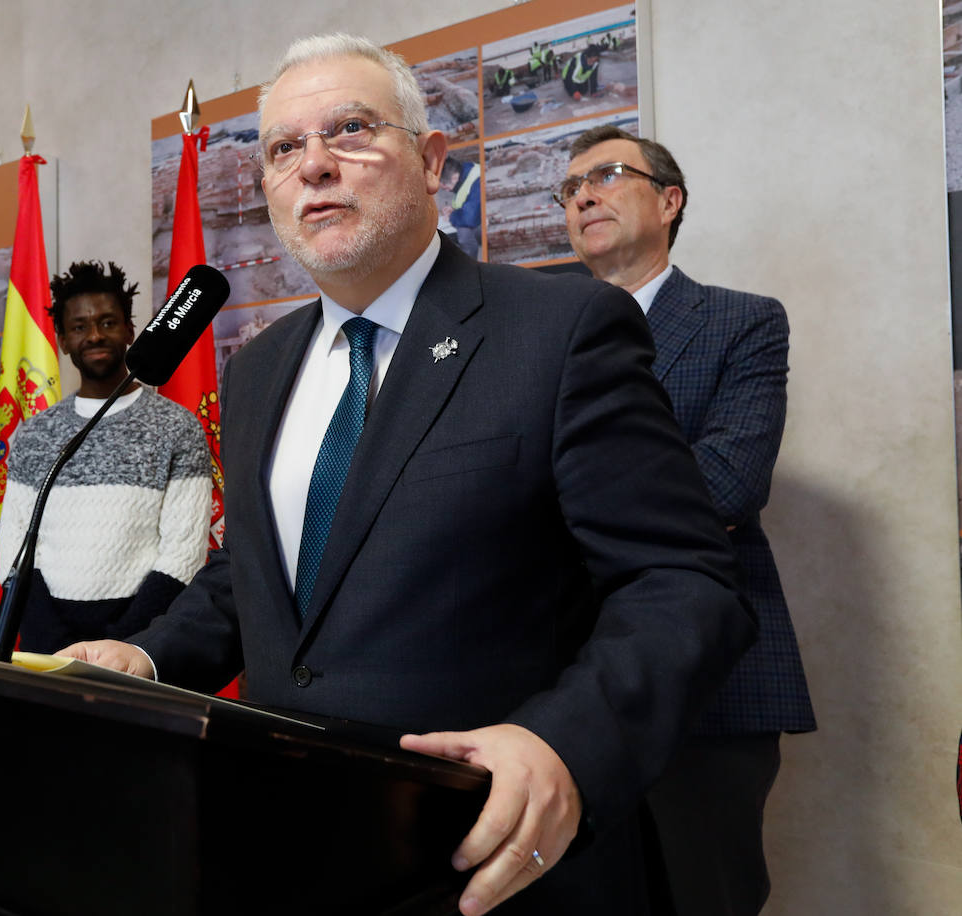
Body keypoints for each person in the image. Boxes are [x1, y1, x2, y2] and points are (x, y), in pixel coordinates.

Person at [61, 34, 754, 915]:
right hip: (290, 843)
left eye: (350, 130)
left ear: (430, 162)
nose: (314, 166)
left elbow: (682, 582)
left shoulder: (565, 329)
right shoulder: (257, 369)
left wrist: (566, 745)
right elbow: (265, 578)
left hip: (486, 857)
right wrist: (148, 656)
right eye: (284, 148)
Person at [560, 124, 816, 916]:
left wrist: (557, 523)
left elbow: (730, 485)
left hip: (709, 675)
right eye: (569, 191)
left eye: (605, 175)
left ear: (668, 202)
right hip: (562, 672)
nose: (584, 197)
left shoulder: (741, 322)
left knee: (704, 893)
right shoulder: (544, 333)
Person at [0, 260, 210, 653]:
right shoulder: (36, 433)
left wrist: (124, 642)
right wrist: (51, 641)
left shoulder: (177, 427)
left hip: (141, 645)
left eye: (108, 322)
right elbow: (14, 545)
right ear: (61, 339)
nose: (94, 335)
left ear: (130, 330)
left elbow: (185, 552)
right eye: (79, 327)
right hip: (47, 640)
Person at [440, 157, 482, 260]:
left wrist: (452, 215)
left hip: (485, 221)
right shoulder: (464, 173)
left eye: (445, 187)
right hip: (478, 216)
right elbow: (465, 198)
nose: (447, 190)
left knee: (464, 233)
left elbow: (469, 218)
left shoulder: (478, 181)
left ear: (454, 177)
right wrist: (453, 209)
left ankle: (470, 265)